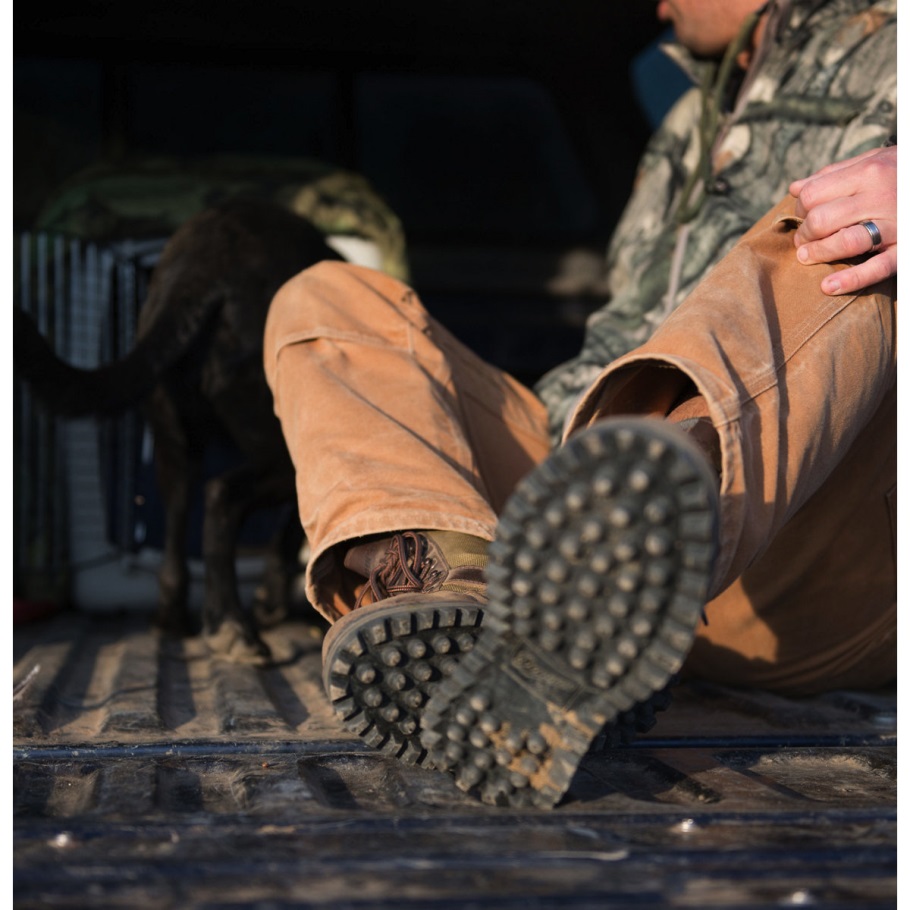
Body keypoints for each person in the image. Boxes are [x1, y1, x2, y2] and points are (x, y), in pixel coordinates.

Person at [262, 0, 897, 808]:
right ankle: (456, 589)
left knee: (834, 233)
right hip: (582, 499)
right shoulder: (688, 126)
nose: (657, 5)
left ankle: (654, 529)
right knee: (324, 300)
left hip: (807, 556)